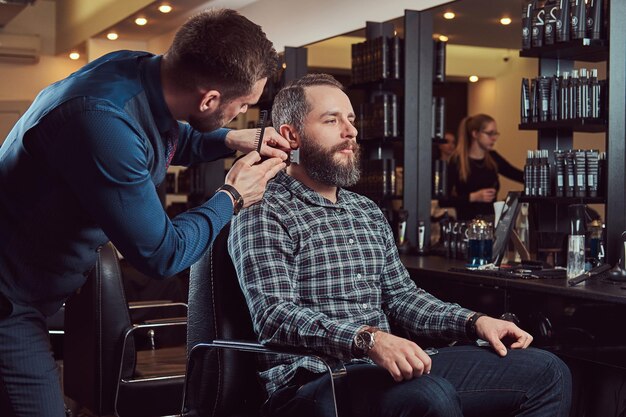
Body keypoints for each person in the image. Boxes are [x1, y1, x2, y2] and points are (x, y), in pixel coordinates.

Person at [0, 8, 289, 416]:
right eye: (241, 106)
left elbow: (172, 139)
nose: (242, 114)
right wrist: (232, 196)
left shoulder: (139, 70)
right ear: (209, 98)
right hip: (10, 299)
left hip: (45, 283)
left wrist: (229, 138)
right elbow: (162, 254)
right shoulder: (102, 123)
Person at [228, 74, 571, 417]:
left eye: (351, 120)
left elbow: (402, 297)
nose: (350, 132)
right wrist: (370, 340)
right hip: (312, 381)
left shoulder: (365, 210)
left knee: (546, 371)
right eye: (332, 120)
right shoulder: (262, 208)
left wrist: (476, 322)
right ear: (291, 136)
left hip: (382, 369)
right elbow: (273, 316)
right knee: (428, 396)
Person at [439, 114, 524, 221]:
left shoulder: (493, 158)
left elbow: (516, 174)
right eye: (489, 133)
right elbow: (443, 201)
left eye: (495, 134)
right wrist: (473, 197)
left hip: (491, 224)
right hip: (466, 226)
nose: (494, 138)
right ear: (475, 134)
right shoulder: (456, 161)